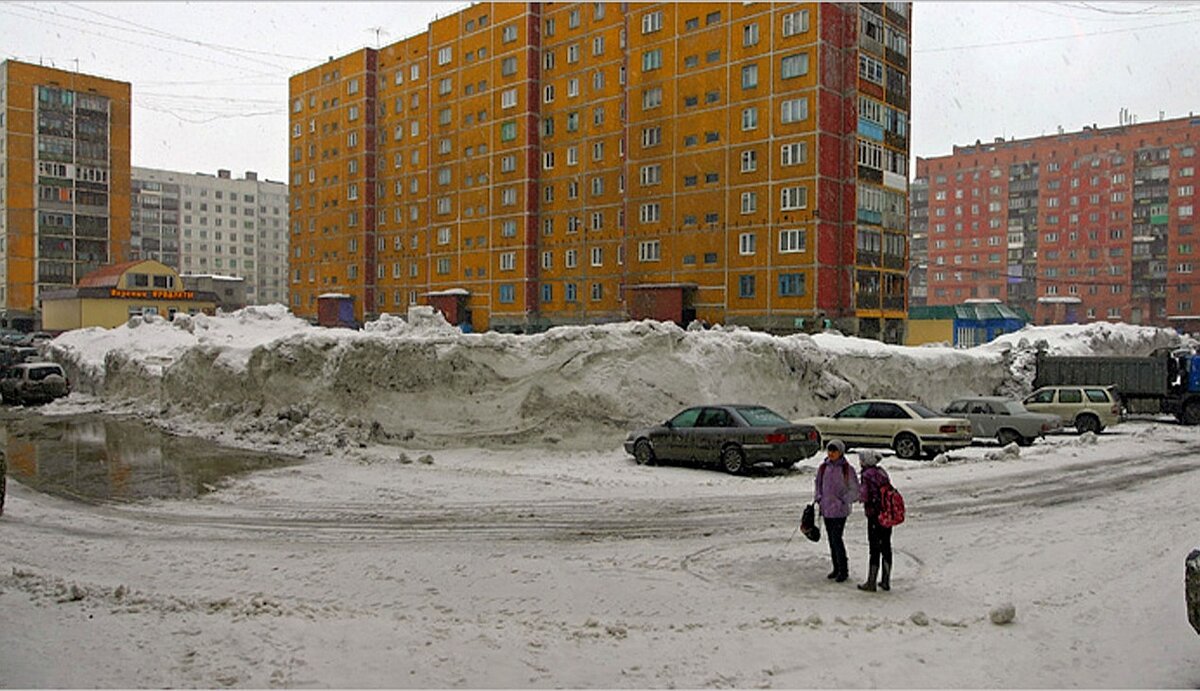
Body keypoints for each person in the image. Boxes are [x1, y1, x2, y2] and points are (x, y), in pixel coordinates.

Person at [814, 438, 859, 582]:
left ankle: (843, 570)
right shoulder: (823, 467)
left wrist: (843, 500)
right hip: (826, 509)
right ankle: (836, 567)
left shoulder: (847, 469)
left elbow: (854, 490)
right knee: (831, 540)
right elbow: (818, 484)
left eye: (835, 451)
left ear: (841, 452)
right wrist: (819, 497)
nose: (831, 453)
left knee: (837, 538)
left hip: (840, 511)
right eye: (830, 450)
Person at [856, 449, 893, 592]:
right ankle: (886, 579)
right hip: (886, 514)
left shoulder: (867, 475)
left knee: (874, 548)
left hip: (874, 515)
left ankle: (871, 581)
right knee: (886, 546)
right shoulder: (882, 473)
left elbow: (864, 495)